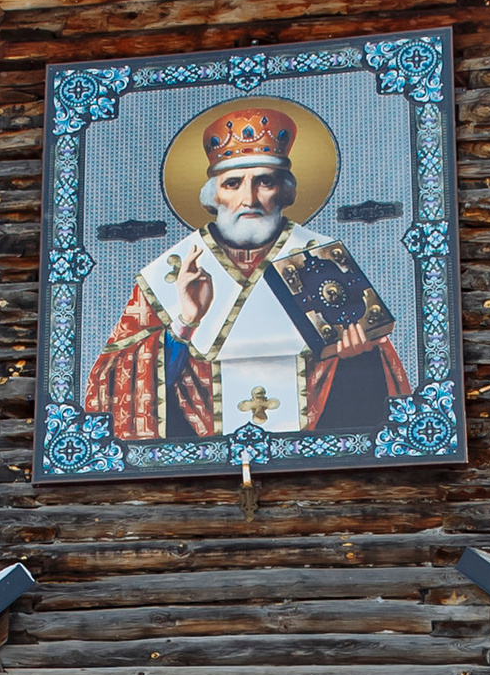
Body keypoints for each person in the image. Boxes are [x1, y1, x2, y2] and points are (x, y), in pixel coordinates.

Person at [82, 106, 409, 444]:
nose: (248, 199)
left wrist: (358, 357)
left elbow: (381, 378)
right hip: (201, 456)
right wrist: (185, 322)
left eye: (264, 182)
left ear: (283, 190)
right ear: (214, 195)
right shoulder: (169, 272)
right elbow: (113, 378)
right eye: (233, 184)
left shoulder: (323, 258)